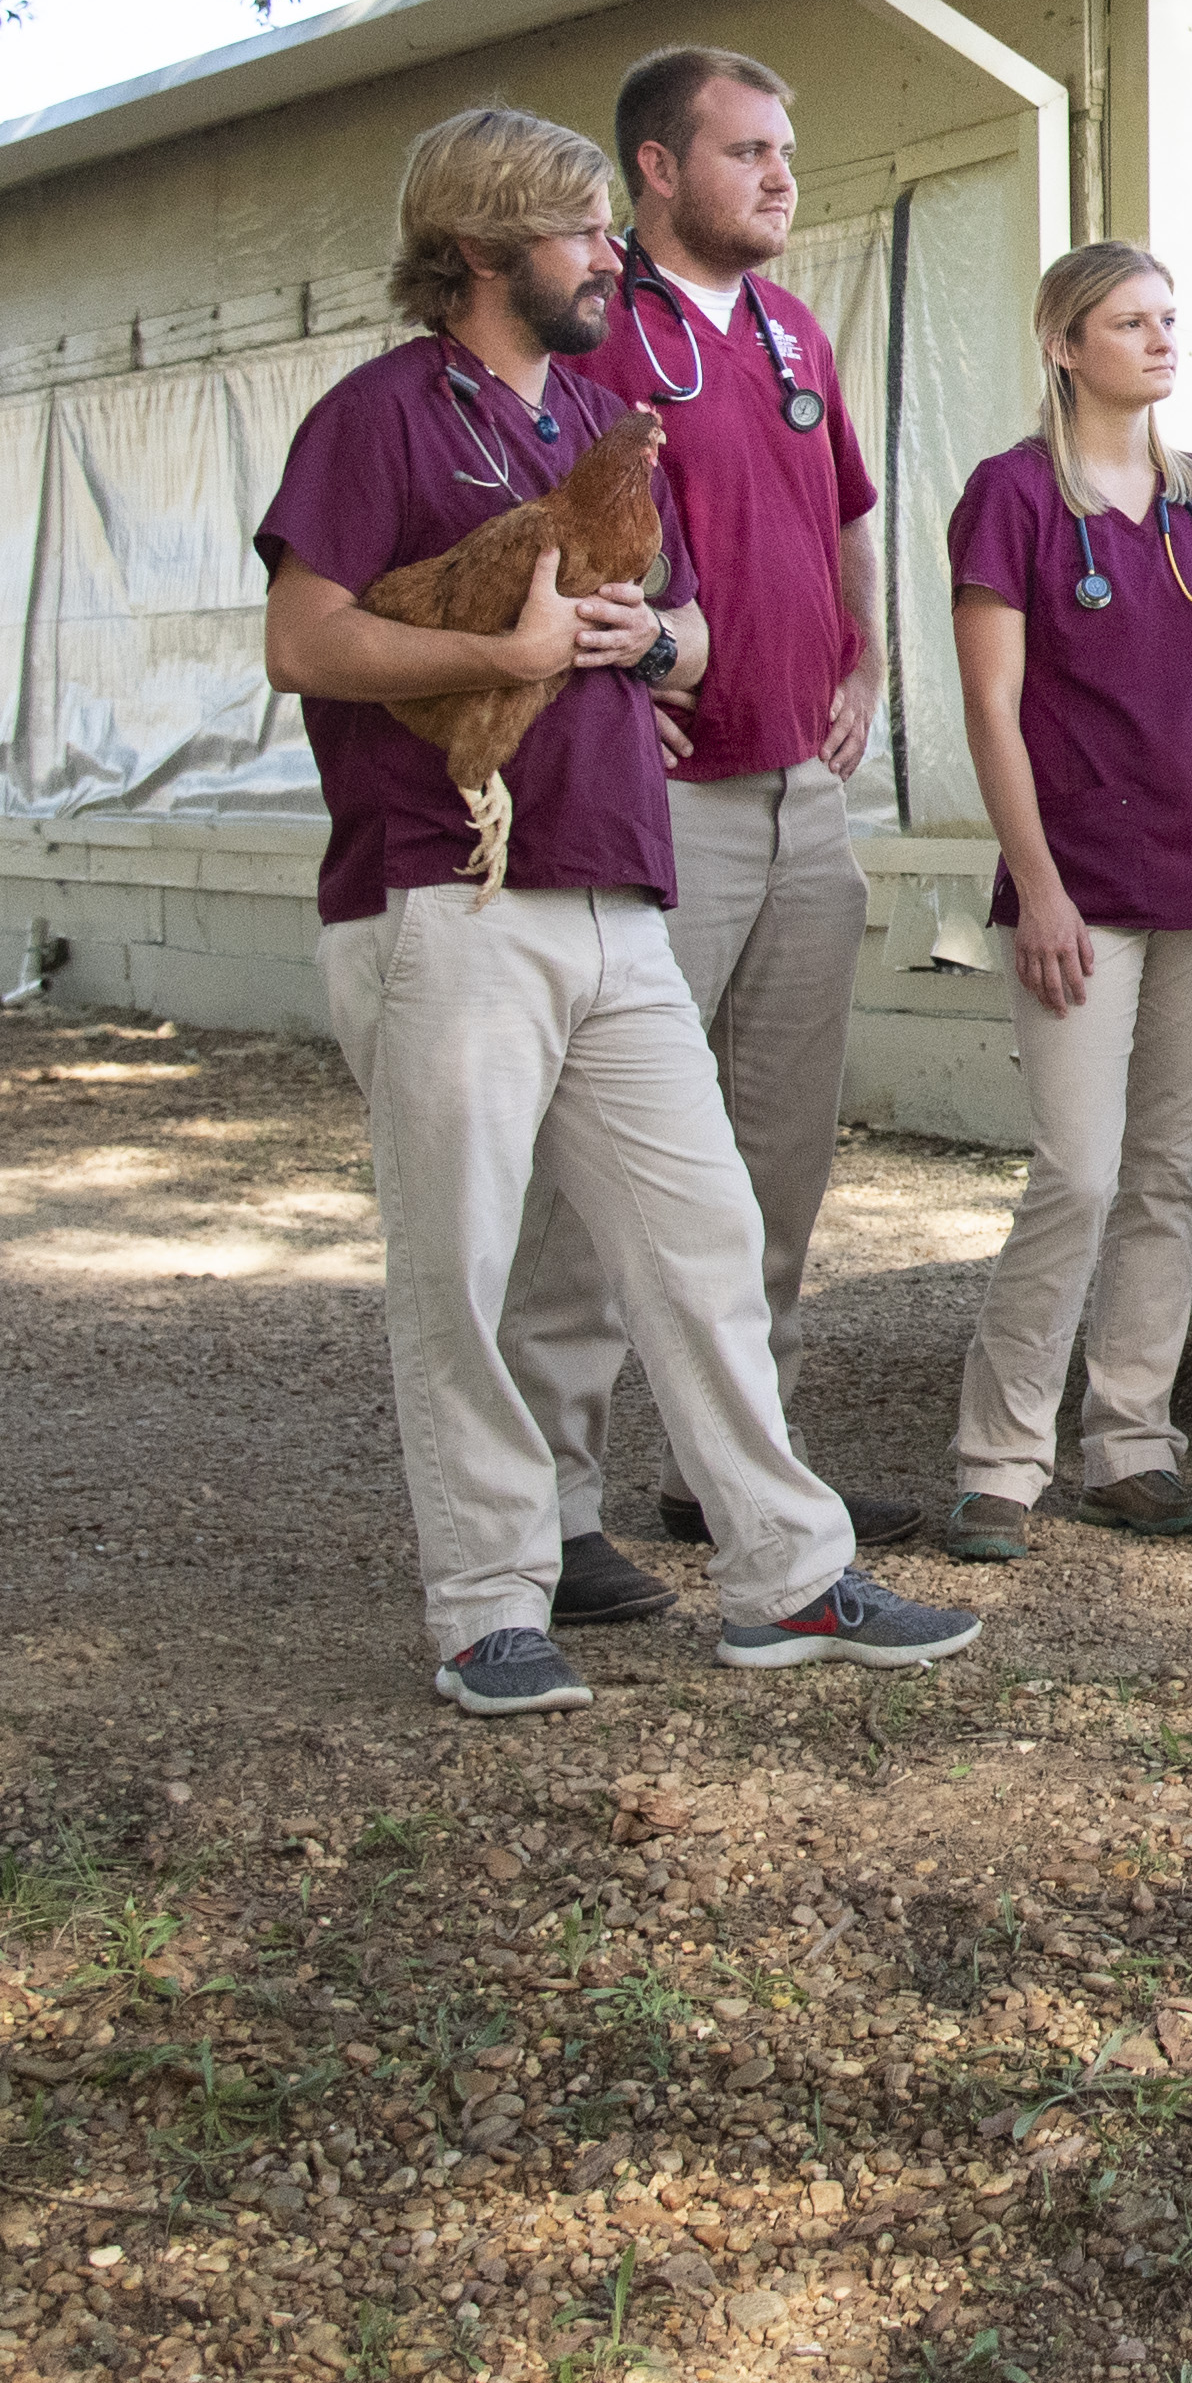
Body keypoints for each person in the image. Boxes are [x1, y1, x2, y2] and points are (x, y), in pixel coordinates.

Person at [255, 105, 976, 1714]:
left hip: (616, 891)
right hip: (446, 887)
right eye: (582, 232)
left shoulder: (599, 414)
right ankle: (488, 1603)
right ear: (486, 246)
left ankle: (786, 1577)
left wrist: (641, 645)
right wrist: (497, 661)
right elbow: (304, 642)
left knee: (704, 1239)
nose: (605, 257)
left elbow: (700, 645)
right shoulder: (377, 419)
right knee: (463, 1264)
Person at [496, 45, 907, 1595]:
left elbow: (848, 510)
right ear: (657, 173)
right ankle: (554, 1505)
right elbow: (544, 525)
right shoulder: (605, 333)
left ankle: (736, 1479)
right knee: (610, 1173)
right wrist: (619, 679)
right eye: (747, 151)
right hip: (670, 812)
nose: (781, 175)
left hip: (805, 798)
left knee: (777, 1170)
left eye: (786, 147)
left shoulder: (795, 330)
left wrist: (862, 657)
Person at [940, 241, 1192, 1559]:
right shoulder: (1011, 499)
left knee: (1159, 1173)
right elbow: (991, 706)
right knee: (1078, 1172)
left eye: (1168, 319)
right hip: (1077, 883)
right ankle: (999, 1458)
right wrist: (1034, 888)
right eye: (1129, 321)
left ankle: (1132, 1445)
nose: (1159, 340)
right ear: (1062, 343)